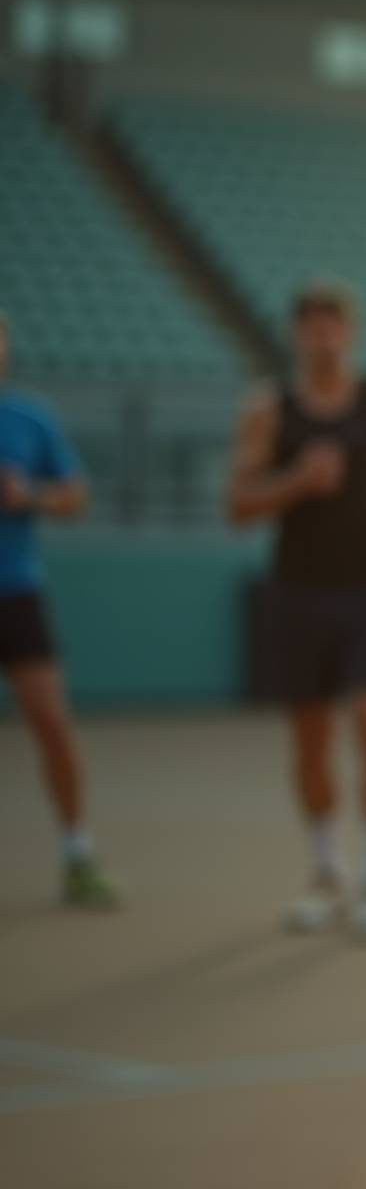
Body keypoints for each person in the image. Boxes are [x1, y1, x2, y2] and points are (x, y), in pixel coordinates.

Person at [224, 279, 366, 945]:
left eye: (334, 326)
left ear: (350, 334)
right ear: (298, 336)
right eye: (312, 327)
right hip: (297, 592)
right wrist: (296, 482)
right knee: (310, 737)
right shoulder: (269, 413)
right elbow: (236, 504)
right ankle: (326, 872)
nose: (323, 338)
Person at [0, 313, 121, 910]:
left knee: (53, 726)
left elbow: (75, 494)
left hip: (17, 594)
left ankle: (77, 853)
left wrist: (29, 495)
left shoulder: (30, 417)